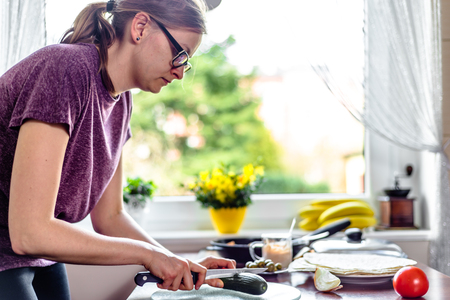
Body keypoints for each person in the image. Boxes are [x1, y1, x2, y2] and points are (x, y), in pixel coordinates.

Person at [0, 0, 235, 298]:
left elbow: (110, 216)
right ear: (140, 27)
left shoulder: (121, 102)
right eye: (180, 55)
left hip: (33, 253)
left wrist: (176, 262)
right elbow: (30, 233)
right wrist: (148, 255)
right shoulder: (65, 69)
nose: (180, 73)